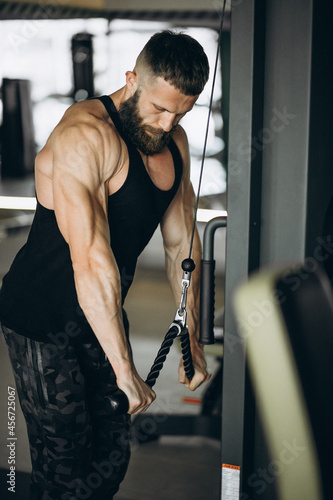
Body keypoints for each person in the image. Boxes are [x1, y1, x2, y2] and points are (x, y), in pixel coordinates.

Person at [0, 30, 211, 499]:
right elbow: (92, 259)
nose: (168, 122)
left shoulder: (174, 140)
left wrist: (191, 340)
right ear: (132, 79)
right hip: (41, 317)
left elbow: (183, 249)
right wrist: (123, 368)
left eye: (182, 111)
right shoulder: (85, 136)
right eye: (160, 107)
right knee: (66, 467)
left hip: (102, 309)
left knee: (112, 457)